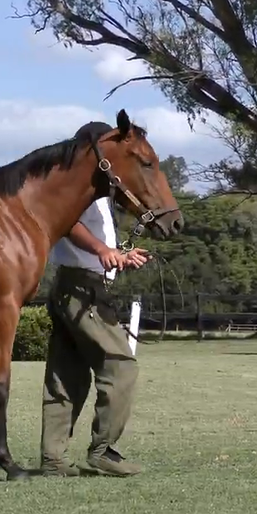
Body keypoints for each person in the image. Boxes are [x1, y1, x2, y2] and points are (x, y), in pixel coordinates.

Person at [40, 194, 150, 478]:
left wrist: (120, 256)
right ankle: (103, 452)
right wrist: (102, 249)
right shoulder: (84, 188)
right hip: (83, 289)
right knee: (121, 365)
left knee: (66, 375)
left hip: (73, 283)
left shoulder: (97, 194)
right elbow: (67, 221)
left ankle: (54, 459)